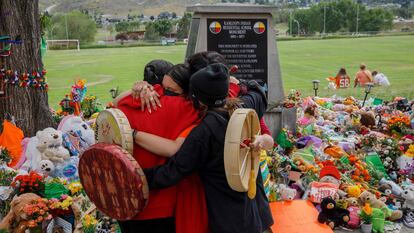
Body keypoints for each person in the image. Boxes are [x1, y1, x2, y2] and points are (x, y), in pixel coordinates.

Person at [143, 63, 273, 233]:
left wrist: (135, 175)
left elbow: (172, 172)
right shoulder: (241, 108)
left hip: (229, 219)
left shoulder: (204, 132)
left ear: (196, 98)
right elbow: (258, 94)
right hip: (254, 212)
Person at [116, 64, 201, 233]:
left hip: (124, 196)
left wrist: (140, 88)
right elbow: (173, 149)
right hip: (160, 203)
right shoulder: (191, 110)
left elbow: (114, 106)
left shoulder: (134, 100)